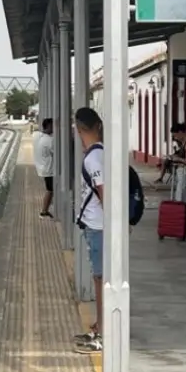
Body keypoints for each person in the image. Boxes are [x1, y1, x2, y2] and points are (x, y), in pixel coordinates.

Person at [73, 107, 106, 354]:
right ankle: (100, 325)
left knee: (101, 280)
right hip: (98, 226)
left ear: (79, 128)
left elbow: (103, 193)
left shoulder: (93, 158)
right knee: (100, 279)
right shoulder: (101, 154)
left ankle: (104, 334)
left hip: (99, 227)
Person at [34, 118, 55, 218]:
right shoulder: (49, 140)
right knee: (50, 190)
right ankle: (44, 211)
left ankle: (45, 210)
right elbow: (57, 152)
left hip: (44, 168)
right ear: (48, 126)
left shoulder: (40, 137)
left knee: (50, 190)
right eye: (52, 126)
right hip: (49, 170)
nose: (54, 128)